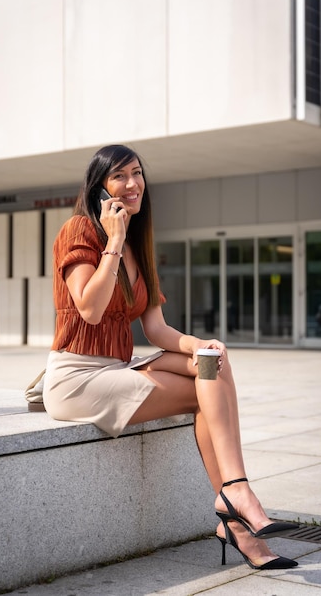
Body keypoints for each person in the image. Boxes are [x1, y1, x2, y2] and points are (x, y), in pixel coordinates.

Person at [43, 144, 299, 570]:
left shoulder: (141, 245)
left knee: (211, 364)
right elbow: (89, 308)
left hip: (116, 368)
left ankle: (233, 501)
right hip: (77, 378)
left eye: (137, 173)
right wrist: (114, 239)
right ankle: (236, 506)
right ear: (100, 189)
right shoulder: (78, 231)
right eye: (119, 176)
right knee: (205, 386)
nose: (132, 184)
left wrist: (200, 344)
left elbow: (157, 329)